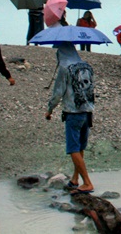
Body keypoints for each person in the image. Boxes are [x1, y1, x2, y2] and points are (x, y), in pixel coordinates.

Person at [45, 41, 95, 194]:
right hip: (88, 111)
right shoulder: (87, 66)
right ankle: (75, 179)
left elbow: (58, 93)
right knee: (80, 147)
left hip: (73, 113)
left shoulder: (64, 68)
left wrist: (50, 109)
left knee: (73, 148)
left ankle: (87, 182)